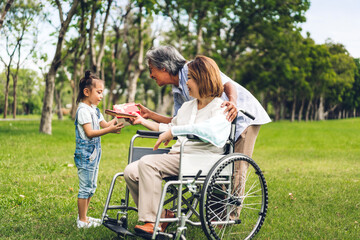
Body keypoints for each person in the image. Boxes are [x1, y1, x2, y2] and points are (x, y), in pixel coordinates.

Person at [138, 46, 271, 218]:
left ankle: (230, 216)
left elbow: (227, 83)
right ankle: (216, 212)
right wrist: (150, 115)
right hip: (213, 126)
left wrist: (232, 102)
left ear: (163, 67)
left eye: (152, 70)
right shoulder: (178, 88)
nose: (151, 75)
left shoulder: (194, 68)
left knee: (235, 168)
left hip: (242, 117)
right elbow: (179, 121)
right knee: (214, 164)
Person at [124, 56, 231, 235]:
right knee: (131, 172)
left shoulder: (221, 108)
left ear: (202, 79)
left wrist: (174, 132)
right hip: (179, 157)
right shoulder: (188, 107)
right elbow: (170, 127)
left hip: (201, 161)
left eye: (190, 78)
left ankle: (153, 222)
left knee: (147, 163)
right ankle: (163, 214)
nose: (186, 82)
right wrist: (142, 120)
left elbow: (211, 132)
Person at [74, 70, 124, 228]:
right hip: (85, 155)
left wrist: (119, 116)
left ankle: (85, 217)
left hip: (94, 154)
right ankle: (82, 220)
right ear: (87, 92)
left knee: (91, 186)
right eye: (99, 92)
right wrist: (109, 131)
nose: (101, 96)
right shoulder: (83, 110)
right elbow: (89, 133)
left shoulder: (94, 110)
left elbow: (105, 125)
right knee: (85, 187)